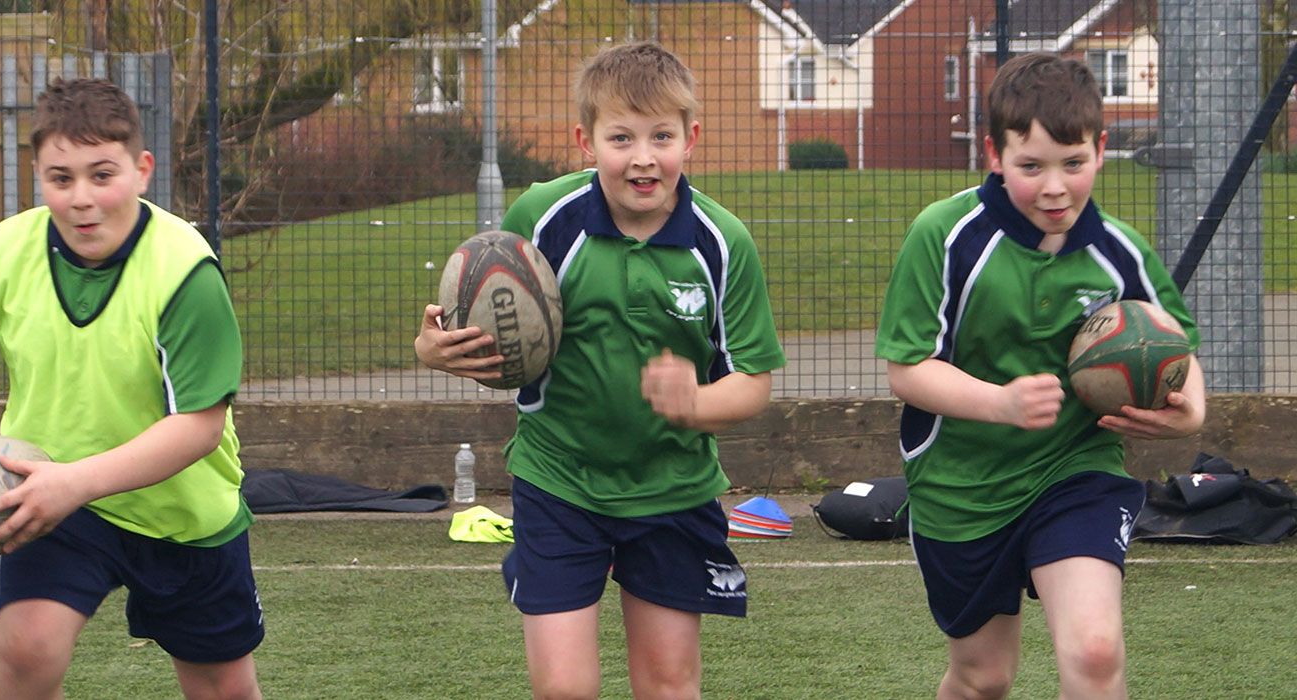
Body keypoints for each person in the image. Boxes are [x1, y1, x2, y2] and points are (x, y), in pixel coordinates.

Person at [415, 41, 784, 700]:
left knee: (669, 686)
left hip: (672, 489)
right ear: (585, 141)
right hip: (560, 483)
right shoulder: (543, 222)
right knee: (564, 688)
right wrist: (435, 352)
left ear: (691, 138)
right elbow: (483, 334)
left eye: (661, 136)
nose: (643, 157)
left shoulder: (722, 244)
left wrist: (695, 403)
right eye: (621, 137)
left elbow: (753, 381)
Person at [0, 77, 262, 700]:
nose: (82, 198)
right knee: (27, 654)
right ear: (39, 177)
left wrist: (74, 481)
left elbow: (199, 426)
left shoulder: (183, 271)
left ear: (142, 171)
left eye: (101, 175)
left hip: (181, 510)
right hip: (46, 494)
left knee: (223, 688)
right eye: (61, 179)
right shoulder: (6, 251)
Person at [876, 52, 1205, 700]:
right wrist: (999, 402)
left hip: (1075, 469)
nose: (1054, 187)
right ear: (995, 156)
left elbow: (1175, 348)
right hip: (961, 487)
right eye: (1031, 167)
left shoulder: (1118, 252)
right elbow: (907, 369)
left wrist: (1189, 409)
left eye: (1072, 163)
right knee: (983, 677)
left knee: (1095, 652)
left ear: (1101, 149)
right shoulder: (944, 238)